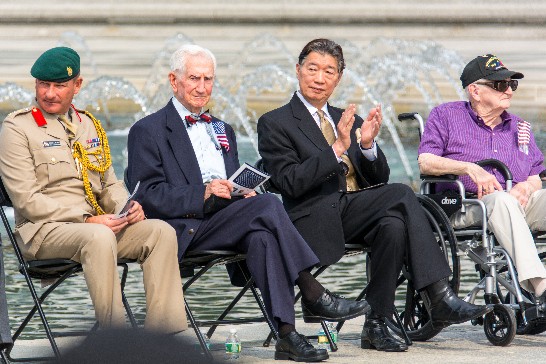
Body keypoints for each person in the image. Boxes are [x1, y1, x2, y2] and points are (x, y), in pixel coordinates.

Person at [126, 44, 370, 362]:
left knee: (263, 233)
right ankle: (312, 291)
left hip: (229, 220)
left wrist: (243, 192)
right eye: (194, 79)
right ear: (174, 81)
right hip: (185, 227)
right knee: (268, 206)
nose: (202, 87)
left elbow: (233, 182)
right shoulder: (147, 130)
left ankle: (287, 335)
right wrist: (202, 192)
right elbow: (147, 195)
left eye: (208, 79)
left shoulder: (221, 128)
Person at [257, 38, 492, 353]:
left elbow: (378, 179)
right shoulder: (275, 122)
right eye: (312, 69)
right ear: (298, 71)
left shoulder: (349, 119)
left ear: (339, 78)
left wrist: (366, 146)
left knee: (393, 224)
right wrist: (337, 148)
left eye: (328, 71)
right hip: (310, 218)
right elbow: (289, 183)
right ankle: (438, 294)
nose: (319, 78)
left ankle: (377, 324)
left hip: (352, 214)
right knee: (400, 196)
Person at [0, 47, 187, 333]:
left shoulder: (89, 124)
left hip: (95, 228)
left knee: (160, 231)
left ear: (77, 85)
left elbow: (109, 183)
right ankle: (115, 342)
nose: (49, 93)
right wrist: (87, 219)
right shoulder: (17, 127)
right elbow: (26, 201)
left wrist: (127, 207)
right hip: (43, 231)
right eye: (43, 84)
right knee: (98, 236)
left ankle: (166, 339)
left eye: (59, 85)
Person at [418, 54, 546, 309]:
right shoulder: (446, 116)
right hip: (465, 206)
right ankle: (541, 285)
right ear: (475, 91)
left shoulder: (519, 126)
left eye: (512, 85)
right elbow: (426, 161)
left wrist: (527, 186)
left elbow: (536, 174)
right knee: (500, 201)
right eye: (500, 85)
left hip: (516, 203)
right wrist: (470, 168)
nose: (509, 91)